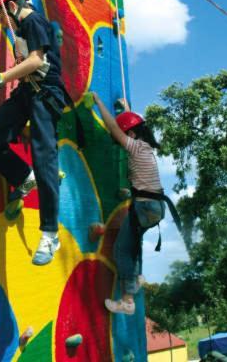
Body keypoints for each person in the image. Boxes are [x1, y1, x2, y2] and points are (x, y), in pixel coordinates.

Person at [0, 0, 65, 266]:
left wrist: (0, 78)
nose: (2, 25)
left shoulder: (31, 21)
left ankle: (49, 234)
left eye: (1, 19)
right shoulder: (22, 8)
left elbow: (37, 61)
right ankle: (21, 176)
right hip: (28, 91)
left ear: (11, 9)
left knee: (45, 161)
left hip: (46, 95)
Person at [92, 93, 165, 315]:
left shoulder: (135, 147)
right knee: (132, 243)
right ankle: (136, 277)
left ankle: (127, 301)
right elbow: (134, 124)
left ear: (132, 135)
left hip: (144, 207)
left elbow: (114, 128)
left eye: (125, 137)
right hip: (155, 208)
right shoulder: (147, 147)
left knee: (121, 251)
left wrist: (98, 102)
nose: (122, 141)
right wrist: (126, 110)